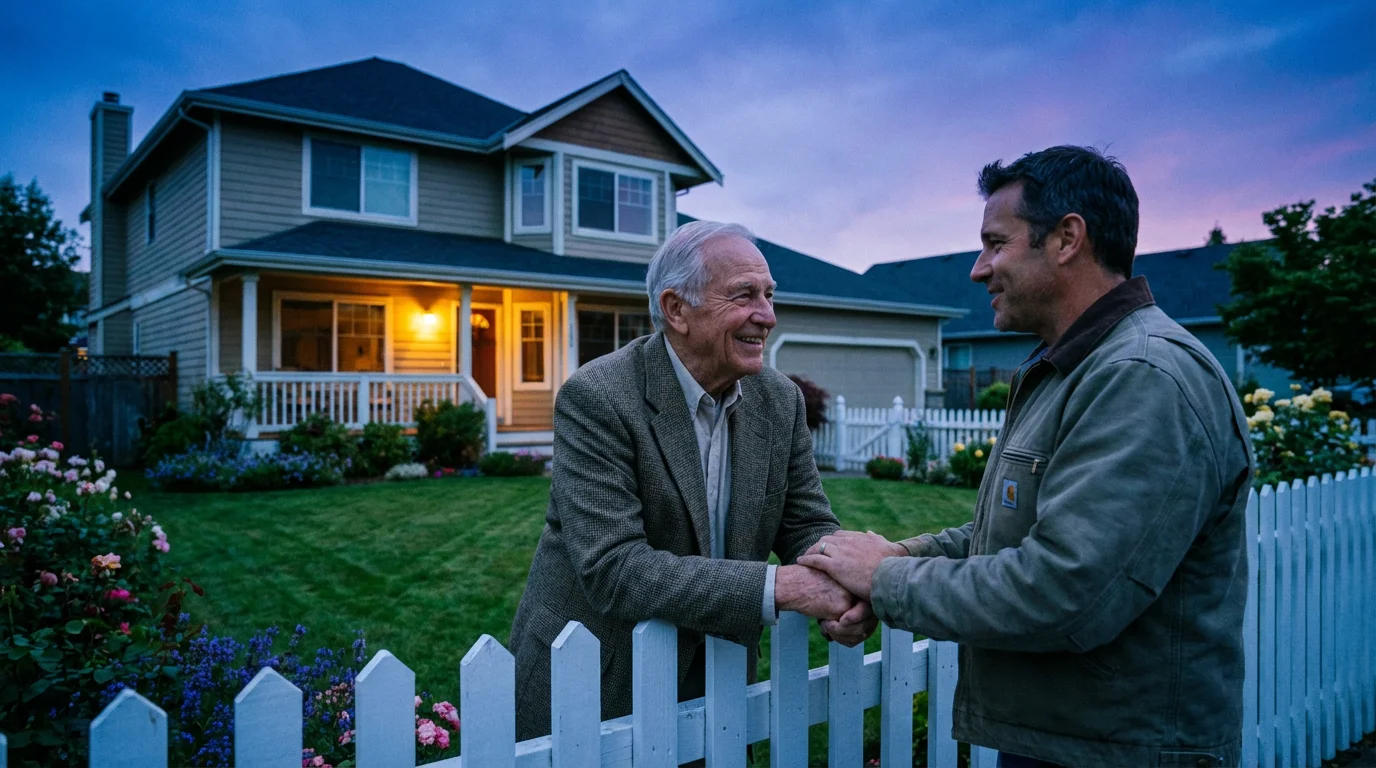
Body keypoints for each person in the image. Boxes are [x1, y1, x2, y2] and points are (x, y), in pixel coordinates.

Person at [800, 146, 1255, 768]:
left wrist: (886, 580)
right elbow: (1016, 534)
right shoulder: (1075, 366)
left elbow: (1064, 592)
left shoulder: (1142, 377)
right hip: (1071, 740)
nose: (978, 269)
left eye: (996, 243)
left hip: (1123, 751)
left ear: (1067, 238)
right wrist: (902, 557)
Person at [510, 220, 876, 741]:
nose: (767, 316)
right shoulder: (598, 396)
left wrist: (846, 582)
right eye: (743, 295)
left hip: (722, 677)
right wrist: (783, 586)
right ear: (677, 309)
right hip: (597, 683)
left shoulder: (780, 400)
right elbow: (614, 568)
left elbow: (806, 523)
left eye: (769, 296)